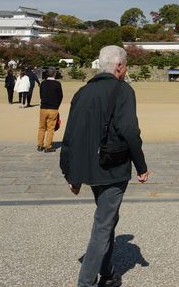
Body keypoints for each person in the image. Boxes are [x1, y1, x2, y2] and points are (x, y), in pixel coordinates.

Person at [60, 45, 148, 287]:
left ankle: (108, 274)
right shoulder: (123, 90)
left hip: (88, 166)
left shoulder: (82, 92)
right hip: (113, 166)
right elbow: (130, 131)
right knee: (103, 224)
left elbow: (70, 135)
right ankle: (86, 282)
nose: (126, 68)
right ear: (119, 66)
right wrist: (141, 166)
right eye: (126, 64)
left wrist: (69, 172)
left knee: (107, 219)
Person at [38, 67, 63, 152]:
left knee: (41, 127)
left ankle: (40, 145)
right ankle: (48, 146)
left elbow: (41, 95)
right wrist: (57, 105)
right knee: (50, 128)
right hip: (53, 108)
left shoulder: (43, 83)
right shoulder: (57, 84)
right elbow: (60, 96)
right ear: (54, 74)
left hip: (43, 107)